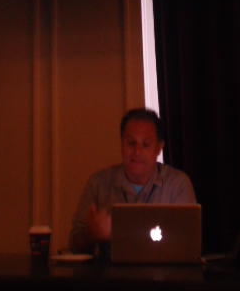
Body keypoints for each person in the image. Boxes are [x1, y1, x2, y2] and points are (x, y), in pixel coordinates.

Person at [69, 108, 196, 255]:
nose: (137, 151)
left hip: (165, 269)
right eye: (131, 143)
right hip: (109, 269)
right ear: (122, 143)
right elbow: (74, 245)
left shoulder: (178, 184)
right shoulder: (98, 183)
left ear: (159, 148)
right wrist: (92, 235)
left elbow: (190, 244)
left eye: (145, 144)